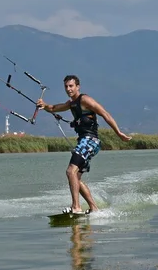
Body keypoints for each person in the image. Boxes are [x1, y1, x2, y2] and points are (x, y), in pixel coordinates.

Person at [37, 74, 132, 215]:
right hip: (84, 141)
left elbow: (105, 114)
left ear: (77, 87)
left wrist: (118, 133)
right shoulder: (71, 104)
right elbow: (54, 108)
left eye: (71, 86)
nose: (68, 89)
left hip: (90, 141)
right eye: (66, 86)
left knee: (70, 172)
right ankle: (94, 208)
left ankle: (76, 207)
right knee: (76, 178)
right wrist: (44, 106)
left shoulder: (85, 100)